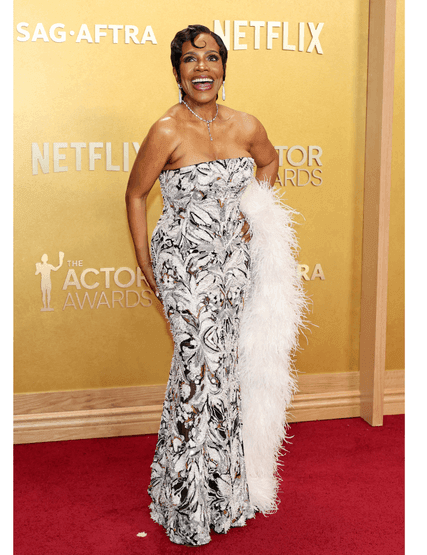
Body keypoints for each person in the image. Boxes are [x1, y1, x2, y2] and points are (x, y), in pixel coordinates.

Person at [125, 24, 303, 546]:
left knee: (222, 369)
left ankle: (222, 491)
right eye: (189, 59)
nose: (201, 68)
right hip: (182, 265)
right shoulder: (165, 130)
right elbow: (136, 195)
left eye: (210, 58)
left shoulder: (246, 124)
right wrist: (144, 259)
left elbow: (269, 161)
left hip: (233, 267)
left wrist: (256, 209)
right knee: (198, 365)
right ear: (177, 71)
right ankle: (186, 498)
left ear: (224, 67)